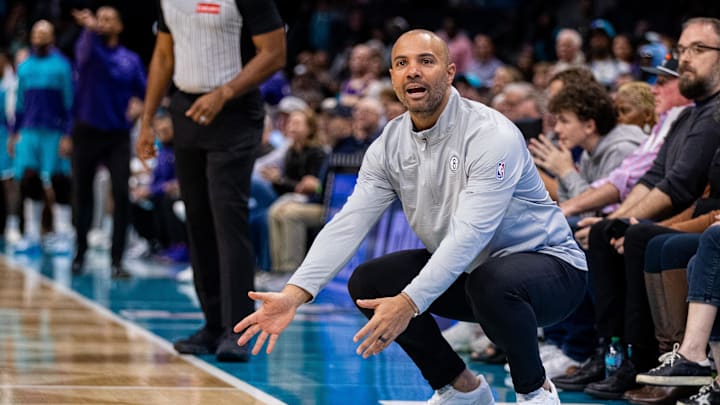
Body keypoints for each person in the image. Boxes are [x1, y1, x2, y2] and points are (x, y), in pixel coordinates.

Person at [234, 29, 587, 404]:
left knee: (491, 281)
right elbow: (348, 221)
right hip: (475, 276)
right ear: (392, 78)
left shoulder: (491, 133)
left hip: (553, 271)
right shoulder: (390, 143)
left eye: (426, 61)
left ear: (450, 73)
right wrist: (294, 294)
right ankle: (460, 390)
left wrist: (408, 302)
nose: (412, 71)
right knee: (371, 281)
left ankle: (535, 392)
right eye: (402, 63)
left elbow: (469, 237)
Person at [578, 17, 720, 400]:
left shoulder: (714, 116)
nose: (685, 58)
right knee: (612, 230)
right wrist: (617, 218)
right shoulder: (688, 115)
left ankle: (652, 358)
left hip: (701, 220)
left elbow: (681, 187)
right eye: (683, 48)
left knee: (642, 237)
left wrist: (629, 220)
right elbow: (655, 177)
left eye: (698, 49)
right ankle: (611, 351)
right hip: (699, 218)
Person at [136, 0, 286, 362]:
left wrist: (225, 92)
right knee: (198, 220)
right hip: (186, 109)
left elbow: (274, 53)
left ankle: (238, 329)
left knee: (226, 218)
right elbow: (162, 57)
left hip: (234, 111)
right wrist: (146, 120)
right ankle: (213, 323)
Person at [70, 7, 147, 278]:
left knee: (121, 194)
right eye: (99, 19)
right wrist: (89, 29)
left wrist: (140, 109)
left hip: (117, 135)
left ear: (120, 26)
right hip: (86, 132)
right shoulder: (88, 47)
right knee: (83, 195)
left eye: (108, 19)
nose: (102, 23)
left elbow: (145, 92)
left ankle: (117, 260)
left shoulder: (130, 59)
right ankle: (79, 254)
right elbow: (83, 55)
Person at [11, 20, 73, 253]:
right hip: (28, 130)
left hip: (54, 131)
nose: (39, 37)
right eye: (36, 33)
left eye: (44, 33)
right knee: (28, 178)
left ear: (52, 38)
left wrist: (68, 134)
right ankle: (32, 234)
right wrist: (14, 133)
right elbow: (19, 104)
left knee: (58, 179)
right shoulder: (25, 67)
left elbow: (69, 104)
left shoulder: (62, 66)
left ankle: (64, 232)